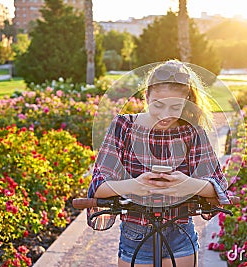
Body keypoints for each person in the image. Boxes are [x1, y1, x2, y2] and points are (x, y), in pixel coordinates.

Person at [87, 59, 231, 267]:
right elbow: (99, 186)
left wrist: (188, 185)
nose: (165, 115)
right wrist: (135, 186)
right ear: (146, 96)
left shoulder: (192, 131)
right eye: (158, 105)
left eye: (175, 106)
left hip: (181, 234)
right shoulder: (123, 127)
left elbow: (218, 187)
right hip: (135, 234)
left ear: (187, 101)